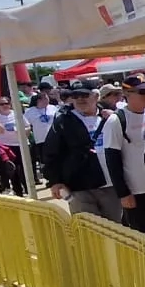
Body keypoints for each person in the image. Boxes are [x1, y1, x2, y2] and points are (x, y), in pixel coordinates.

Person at [44, 86, 122, 220]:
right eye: (75, 96)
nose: (80, 99)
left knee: (114, 230)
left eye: (84, 95)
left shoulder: (111, 117)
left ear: (96, 97)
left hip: (111, 184)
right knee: (88, 231)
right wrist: (55, 181)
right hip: (79, 186)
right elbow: (51, 151)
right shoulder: (63, 121)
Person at [104, 77, 145, 236]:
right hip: (136, 191)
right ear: (127, 93)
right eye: (143, 91)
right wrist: (123, 193)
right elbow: (112, 160)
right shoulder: (116, 121)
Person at [0, 97, 26, 195]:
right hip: (6, 147)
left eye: (6, 103)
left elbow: (27, 126)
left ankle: (27, 188)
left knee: (23, 170)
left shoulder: (16, 114)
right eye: (2, 104)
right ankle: (18, 191)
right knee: (12, 170)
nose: (5, 106)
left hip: (20, 144)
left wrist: (22, 132)